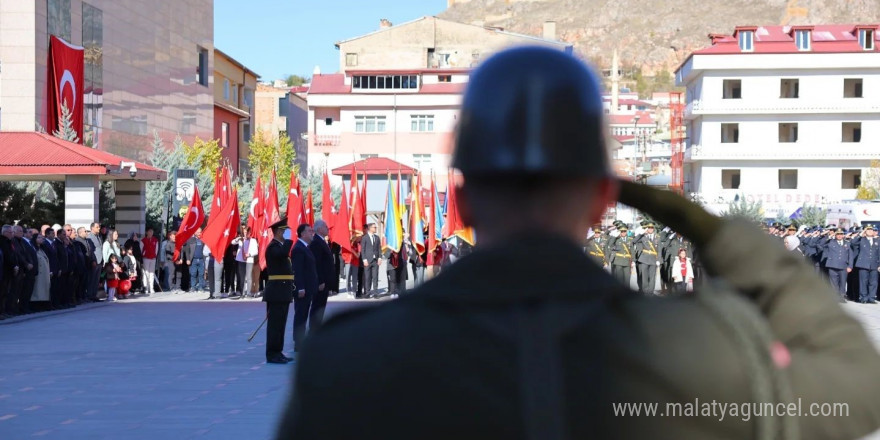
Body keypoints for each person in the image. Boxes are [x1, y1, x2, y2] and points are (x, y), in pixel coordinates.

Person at [278, 46, 880, 440]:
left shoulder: (350, 362)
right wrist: (712, 227)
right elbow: (858, 386)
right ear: (601, 199)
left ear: (458, 201)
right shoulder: (709, 349)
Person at [263, 217, 294, 364]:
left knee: (281, 324)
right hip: (276, 291)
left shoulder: (280, 246)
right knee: (275, 325)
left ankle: (278, 351)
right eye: (283, 231)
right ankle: (272, 354)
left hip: (283, 290)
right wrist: (288, 241)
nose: (286, 233)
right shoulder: (273, 247)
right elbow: (282, 254)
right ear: (277, 232)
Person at [291, 224, 318, 354]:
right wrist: (300, 287)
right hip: (303, 289)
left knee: (303, 314)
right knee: (301, 315)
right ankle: (298, 342)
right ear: (302, 234)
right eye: (309, 231)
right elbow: (298, 271)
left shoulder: (305, 248)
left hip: (308, 288)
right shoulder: (298, 249)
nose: (312, 233)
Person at [308, 220, 333, 328]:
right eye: (325, 226)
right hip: (320, 282)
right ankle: (314, 331)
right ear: (319, 229)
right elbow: (316, 263)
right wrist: (320, 281)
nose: (328, 228)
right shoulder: (316, 242)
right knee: (317, 307)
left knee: (321, 307)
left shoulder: (322, 241)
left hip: (325, 281)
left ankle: (317, 330)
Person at [851, 224, 880, 304]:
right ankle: (864, 297)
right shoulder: (861, 240)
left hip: (874, 264)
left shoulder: (877, 241)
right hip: (863, 264)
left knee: (873, 282)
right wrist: (861, 233)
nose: (870, 231)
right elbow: (853, 242)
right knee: (863, 282)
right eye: (868, 229)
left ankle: (871, 298)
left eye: (871, 230)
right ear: (865, 231)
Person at [360, 223, 381, 297]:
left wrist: (379, 257)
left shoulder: (377, 237)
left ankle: (375, 293)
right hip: (367, 260)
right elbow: (362, 249)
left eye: (375, 227)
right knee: (367, 277)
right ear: (370, 228)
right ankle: (367, 292)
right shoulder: (365, 238)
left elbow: (379, 248)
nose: (375, 228)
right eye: (374, 227)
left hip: (375, 260)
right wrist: (364, 259)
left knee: (375, 277)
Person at [31, 234, 51, 310]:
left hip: (44, 273)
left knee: (43, 289)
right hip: (39, 273)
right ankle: (36, 305)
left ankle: (43, 304)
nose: (41, 239)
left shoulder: (42, 249)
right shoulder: (33, 249)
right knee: (38, 289)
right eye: (39, 238)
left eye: (42, 238)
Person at [141, 228, 159, 295]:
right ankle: (146, 288)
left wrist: (154, 256)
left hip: (153, 258)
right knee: (146, 273)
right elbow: (141, 249)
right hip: (145, 258)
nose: (151, 233)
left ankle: (151, 288)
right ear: (147, 232)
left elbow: (156, 250)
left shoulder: (155, 240)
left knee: (152, 273)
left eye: (152, 232)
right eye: (149, 232)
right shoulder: (143, 240)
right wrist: (143, 255)